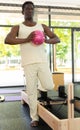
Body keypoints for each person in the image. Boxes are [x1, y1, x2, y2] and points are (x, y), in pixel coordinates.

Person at [5, 1, 60, 127]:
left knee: (49, 85)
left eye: (31, 9)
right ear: (23, 11)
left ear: (33, 11)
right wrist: (27, 39)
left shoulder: (42, 26)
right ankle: (34, 118)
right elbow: (7, 40)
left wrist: (46, 40)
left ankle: (40, 86)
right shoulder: (18, 27)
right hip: (28, 63)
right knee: (31, 92)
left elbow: (57, 38)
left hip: (42, 61)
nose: (30, 11)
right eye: (27, 9)